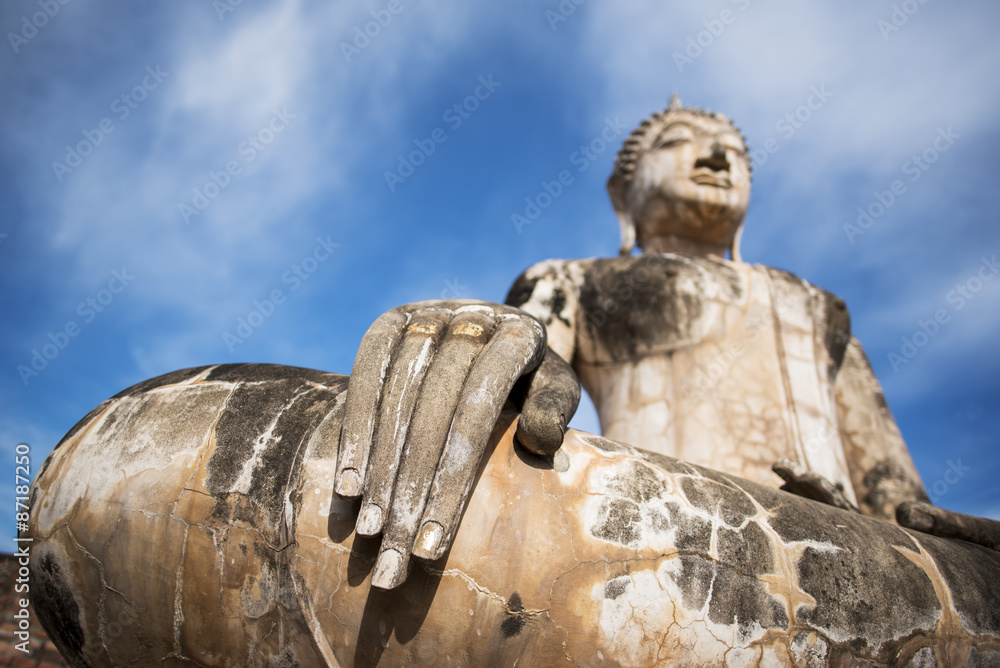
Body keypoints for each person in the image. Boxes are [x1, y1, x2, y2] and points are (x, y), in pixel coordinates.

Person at [332, 96, 932, 590]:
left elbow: (902, 500)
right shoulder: (577, 281)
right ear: (623, 196)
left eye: (740, 155)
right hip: (675, 543)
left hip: (856, 558)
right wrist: (487, 337)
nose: (719, 155)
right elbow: (529, 367)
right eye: (677, 140)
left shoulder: (819, 308)